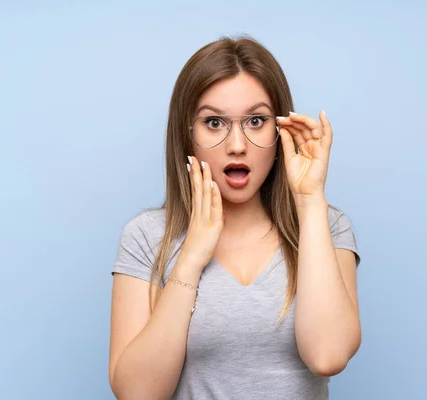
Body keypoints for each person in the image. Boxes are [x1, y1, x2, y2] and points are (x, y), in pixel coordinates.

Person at [108, 35, 362, 399]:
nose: (237, 145)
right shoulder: (147, 236)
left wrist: (309, 201)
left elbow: (328, 355)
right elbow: (137, 394)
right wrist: (191, 258)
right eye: (214, 123)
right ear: (187, 134)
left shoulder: (326, 225)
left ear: (280, 132)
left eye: (256, 120)